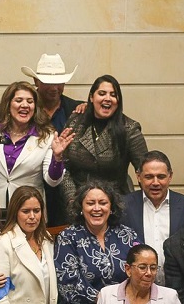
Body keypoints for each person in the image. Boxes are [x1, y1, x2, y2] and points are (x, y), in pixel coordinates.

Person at [53, 180, 140, 304]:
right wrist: (107, 299)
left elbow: (139, 271)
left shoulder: (128, 235)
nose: (97, 208)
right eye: (90, 203)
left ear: (112, 206)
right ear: (81, 208)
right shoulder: (68, 237)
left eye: (103, 202)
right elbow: (68, 283)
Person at [61, 74, 148, 210]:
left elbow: (144, 171)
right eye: (102, 93)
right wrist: (72, 199)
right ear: (91, 97)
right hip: (78, 203)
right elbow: (63, 165)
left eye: (113, 95)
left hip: (115, 205)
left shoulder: (129, 129)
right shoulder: (75, 121)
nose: (107, 98)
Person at [0, 80, 75, 210]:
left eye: (30, 102)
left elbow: (52, 181)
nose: (25, 105)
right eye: (19, 100)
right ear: (8, 104)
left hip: (29, 210)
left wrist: (57, 158)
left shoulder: (47, 135)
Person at [22, 53, 83, 226]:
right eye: (48, 83)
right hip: (31, 188)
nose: (54, 87)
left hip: (67, 192)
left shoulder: (77, 109)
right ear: (36, 82)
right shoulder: (24, 108)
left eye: (59, 82)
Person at [121, 150, 184, 283]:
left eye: (161, 176)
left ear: (170, 176)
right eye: (149, 177)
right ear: (138, 176)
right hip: (136, 287)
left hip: (177, 287)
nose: (155, 182)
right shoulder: (123, 206)